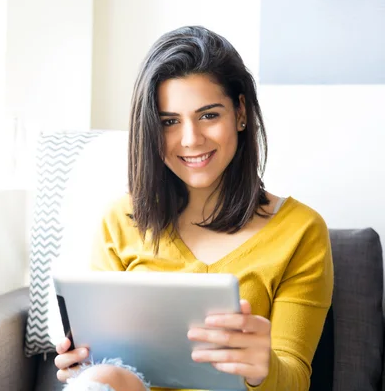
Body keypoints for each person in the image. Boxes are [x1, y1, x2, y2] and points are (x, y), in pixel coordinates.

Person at [54, 25, 333, 391]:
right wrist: (87, 370)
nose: (190, 140)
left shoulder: (301, 231)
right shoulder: (119, 223)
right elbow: (107, 364)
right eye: (169, 122)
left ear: (241, 112)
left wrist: (262, 369)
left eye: (209, 115)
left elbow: (295, 377)